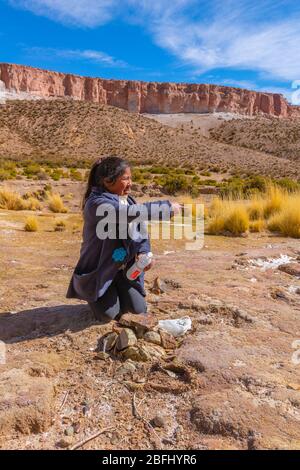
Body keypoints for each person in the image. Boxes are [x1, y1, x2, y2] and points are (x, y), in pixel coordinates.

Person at [66, 156, 178, 322]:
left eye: (130, 178)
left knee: (137, 310)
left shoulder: (127, 200)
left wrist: (143, 252)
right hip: (101, 271)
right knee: (108, 315)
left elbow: (140, 229)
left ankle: (119, 289)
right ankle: (100, 294)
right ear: (108, 181)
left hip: (125, 271)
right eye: (125, 178)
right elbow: (127, 214)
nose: (130, 183)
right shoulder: (96, 204)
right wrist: (166, 208)